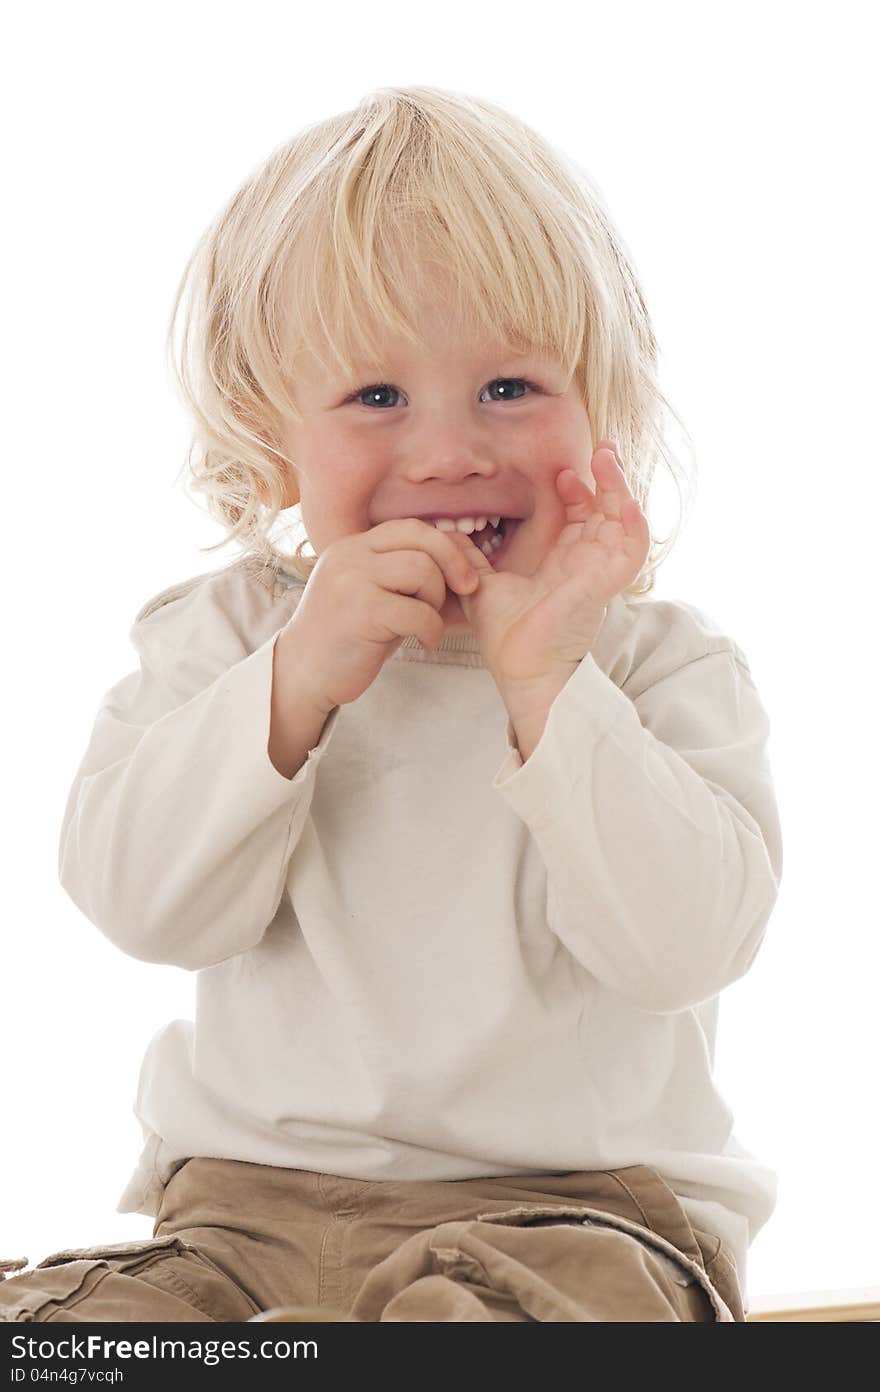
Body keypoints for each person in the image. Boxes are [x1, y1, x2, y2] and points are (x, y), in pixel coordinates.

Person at [0, 84, 782, 1324]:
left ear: (604, 410)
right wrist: (294, 684)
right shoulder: (225, 641)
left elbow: (684, 948)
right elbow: (144, 907)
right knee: (66, 1334)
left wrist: (549, 683)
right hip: (240, 1218)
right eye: (376, 400)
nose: (448, 453)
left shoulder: (657, 667)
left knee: (554, 1314)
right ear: (271, 438)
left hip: (575, 1215)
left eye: (511, 388)